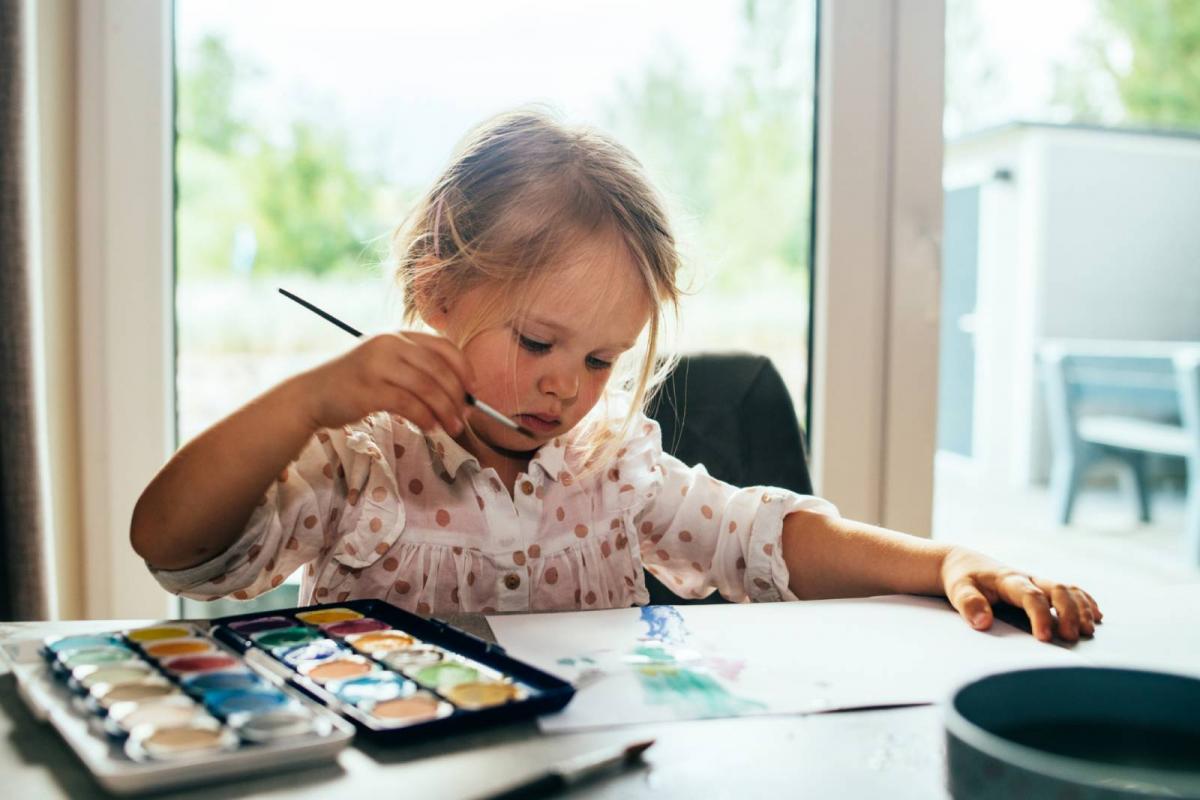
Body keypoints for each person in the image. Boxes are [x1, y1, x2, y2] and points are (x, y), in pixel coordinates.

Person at [131, 109, 1100, 642]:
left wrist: (942, 562)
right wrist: (309, 398)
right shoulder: (361, 464)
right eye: (539, 341)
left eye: (602, 359)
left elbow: (769, 538)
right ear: (438, 289)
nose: (566, 387)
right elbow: (170, 545)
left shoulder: (610, 466)